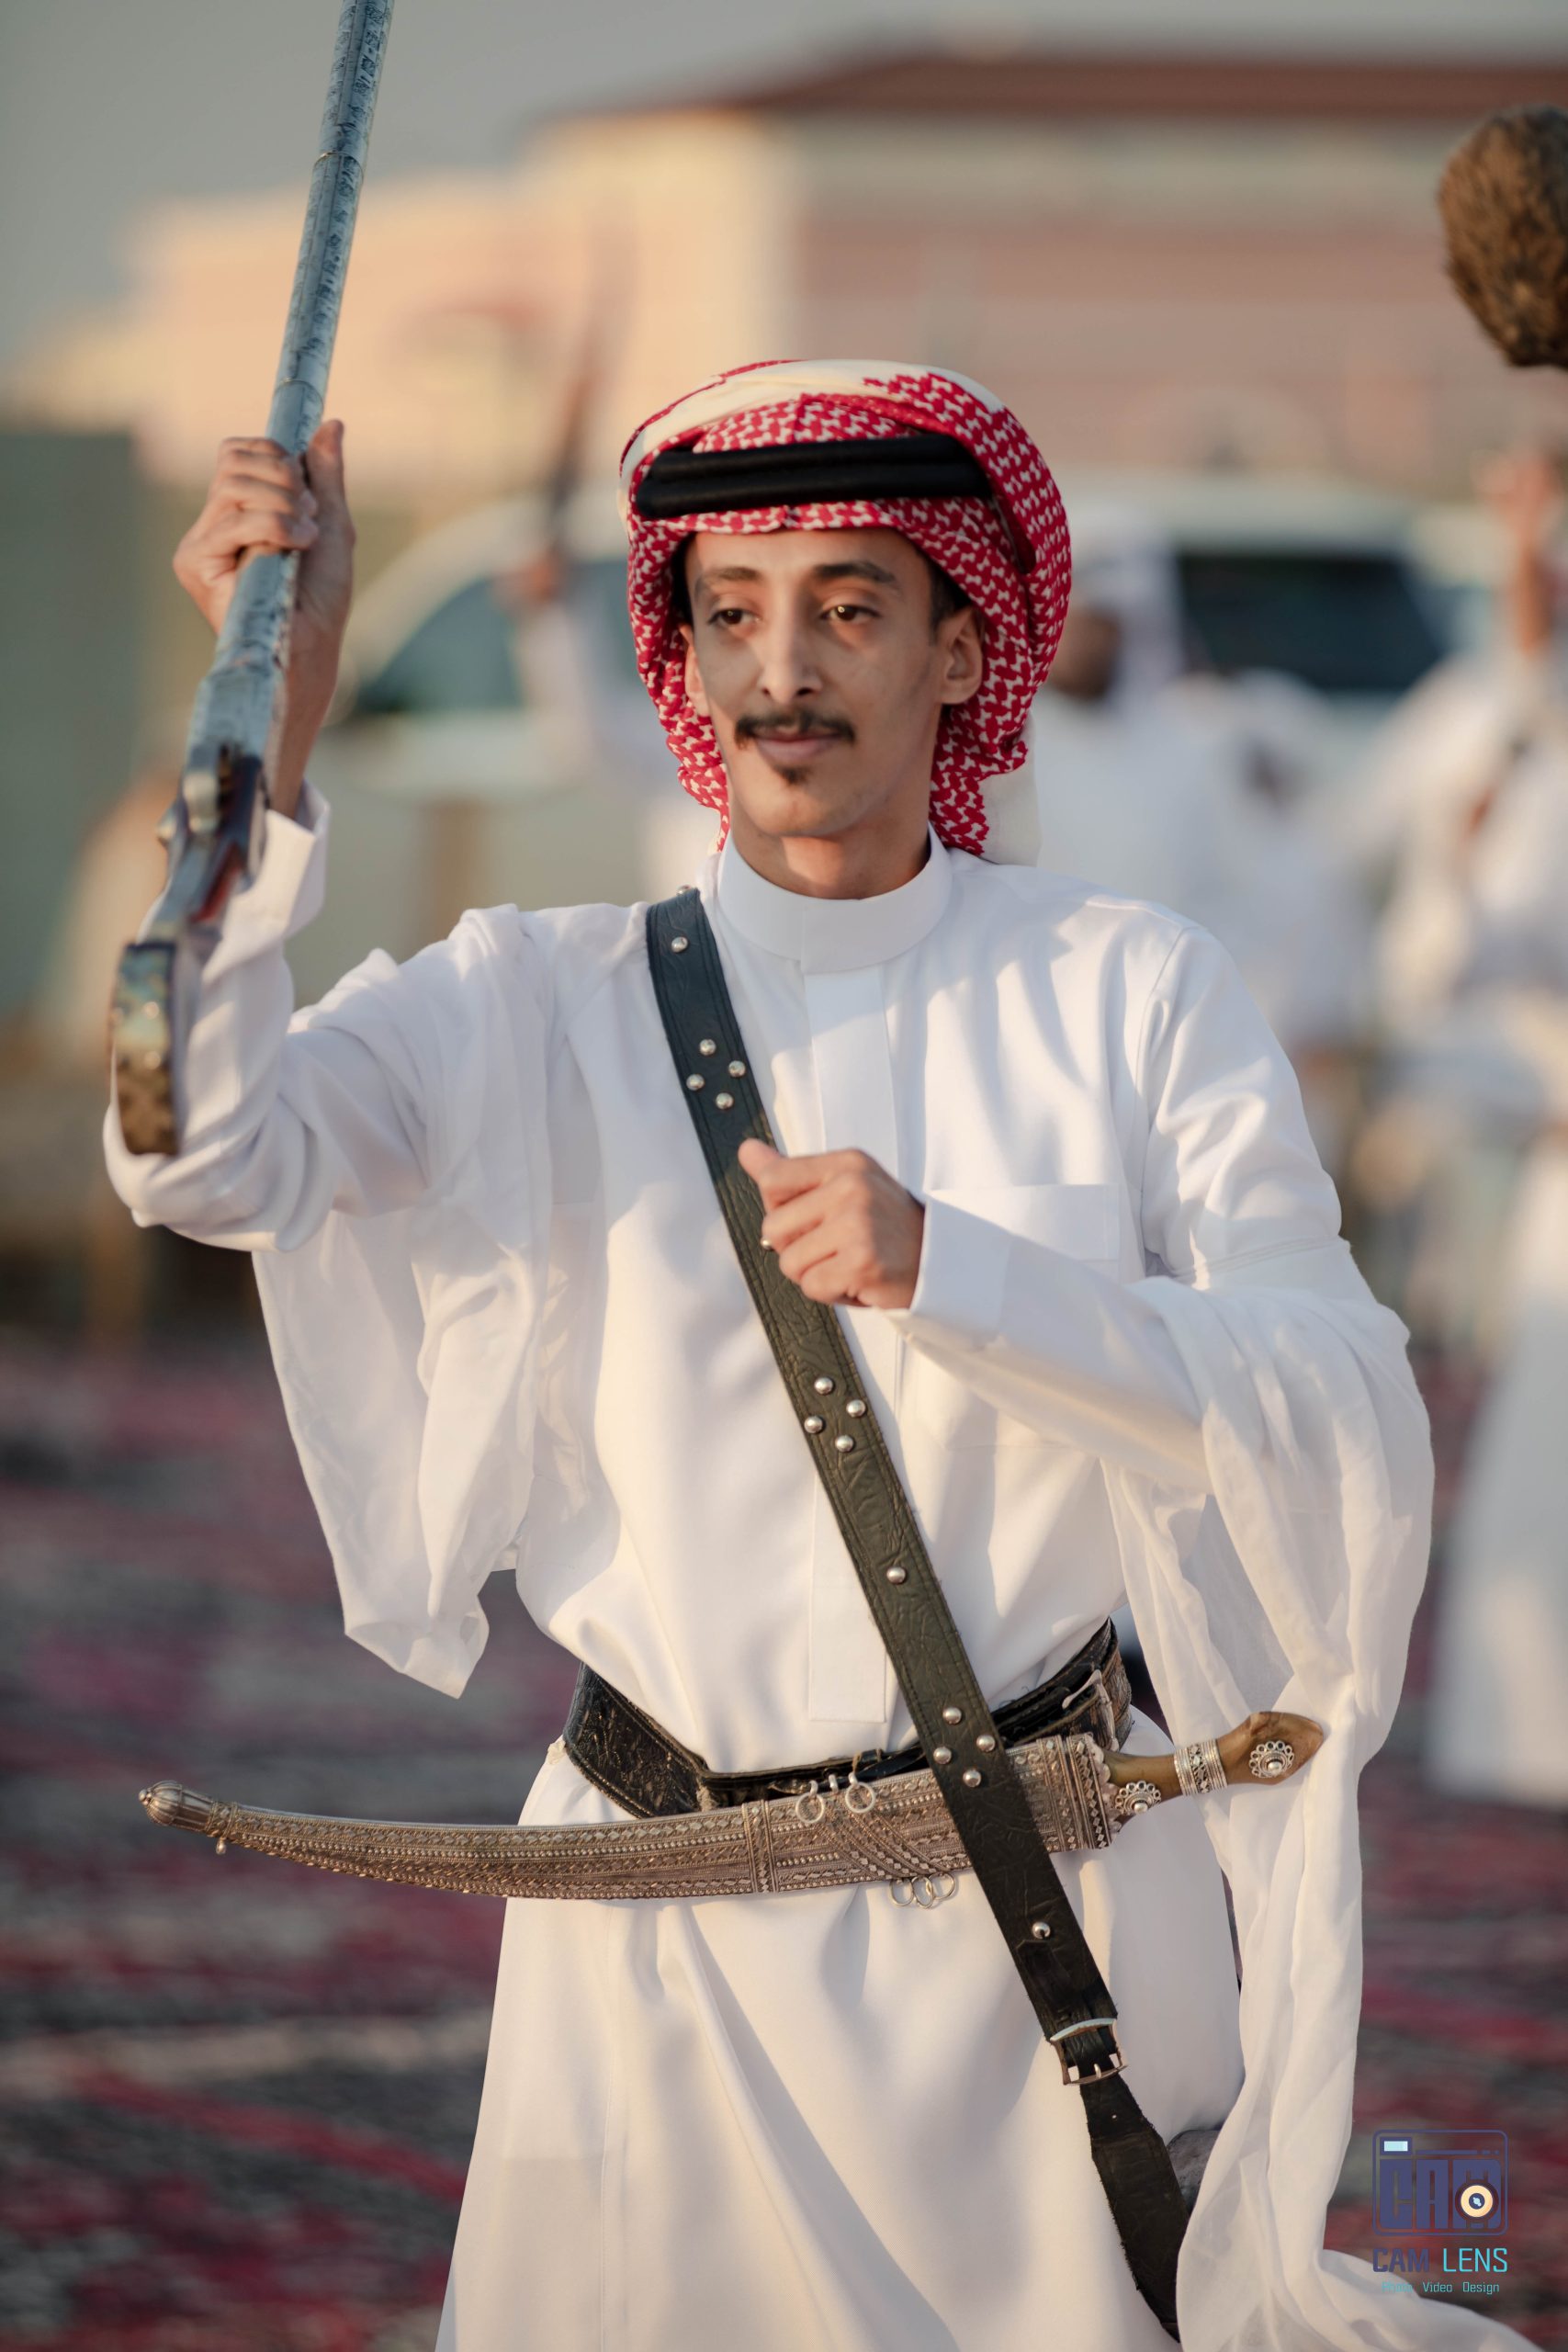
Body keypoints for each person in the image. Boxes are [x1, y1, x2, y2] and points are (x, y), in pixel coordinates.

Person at [106, 363, 1502, 2351]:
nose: (782, 669)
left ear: (962, 648)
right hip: (662, 1971)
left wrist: (965, 1275)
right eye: (734, 613)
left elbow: (1336, 1396)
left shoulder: (1127, 988)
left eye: (848, 607)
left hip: (1039, 1945)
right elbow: (194, 1151)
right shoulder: (534, 1000)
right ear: (679, 655)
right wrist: (272, 728)